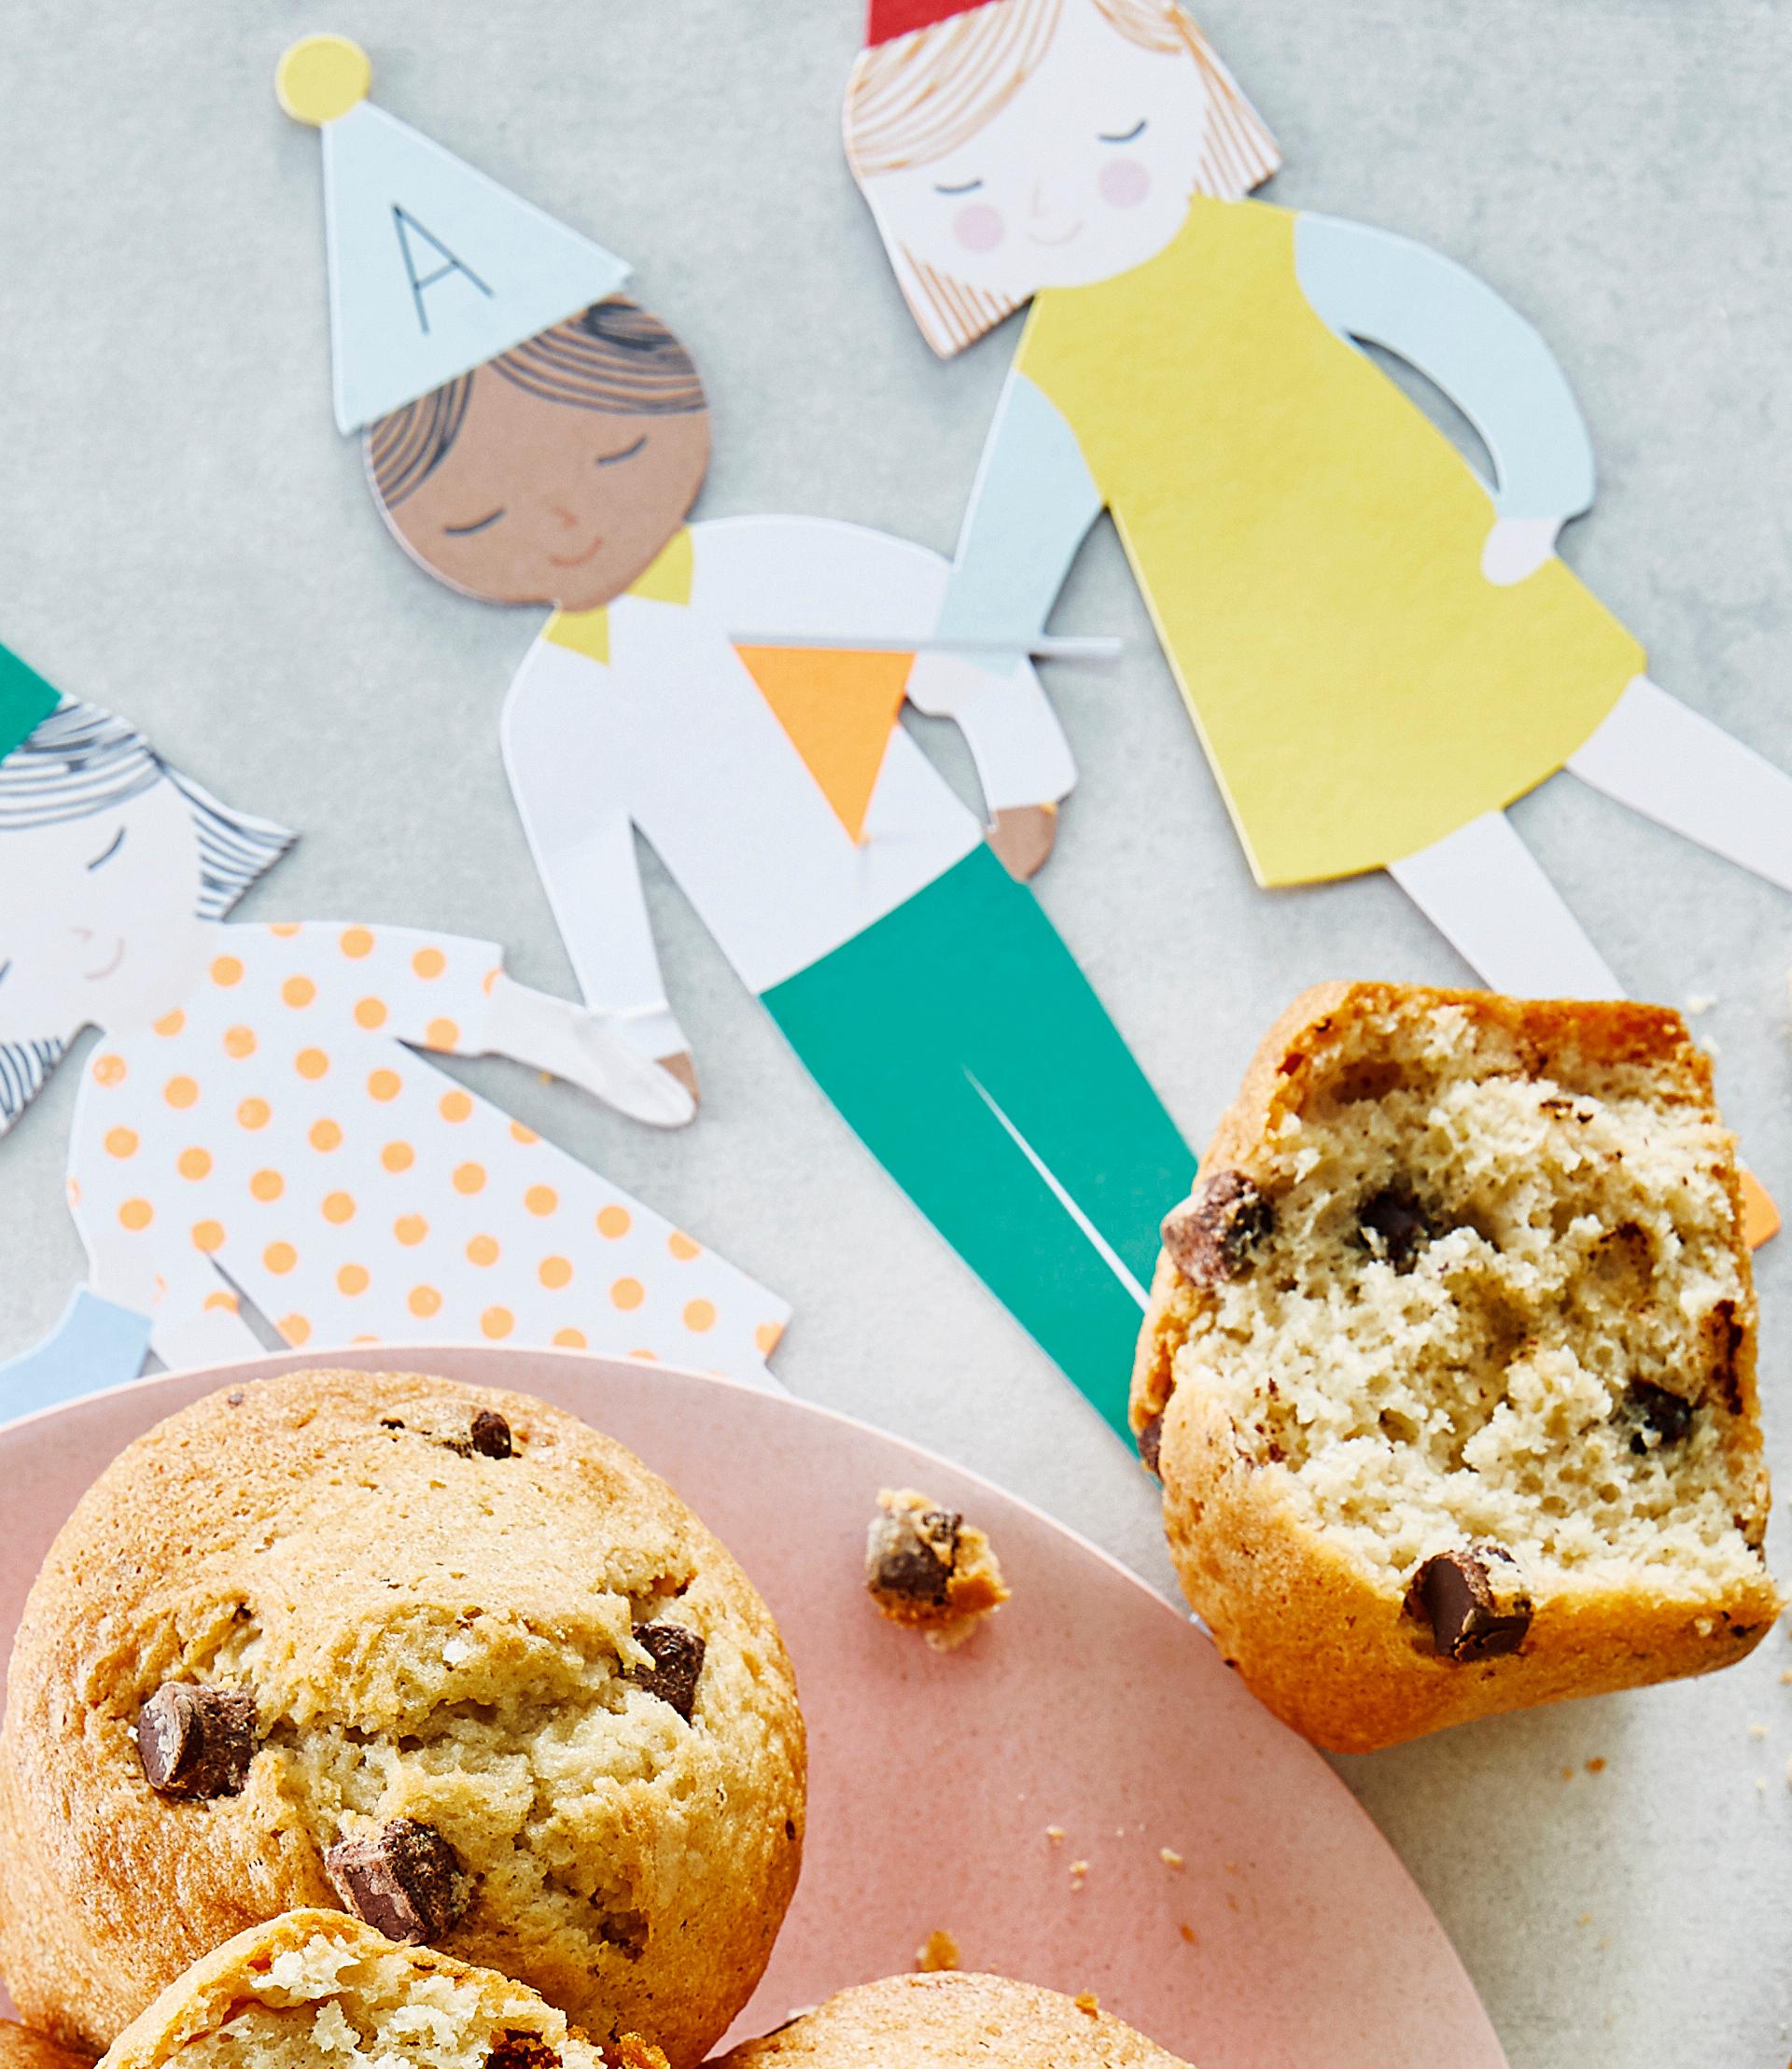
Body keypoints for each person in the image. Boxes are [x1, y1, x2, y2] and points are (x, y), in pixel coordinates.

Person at [843, 0, 1792, 1008]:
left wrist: (1540, 490)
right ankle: (1629, 1064)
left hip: (1436, 574)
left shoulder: (1269, 255)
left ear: (1182, 92)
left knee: (1602, 726)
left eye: (1111, 139)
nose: (1053, 211)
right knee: (1431, 837)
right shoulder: (1062, 371)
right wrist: (975, 648)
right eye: (970, 196)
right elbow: (1022, 525)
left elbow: (1459, 329)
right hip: (1289, 668)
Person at [363, 292, 1193, 1430]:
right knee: (986, 1205)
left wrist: (1020, 778)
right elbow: (589, 871)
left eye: (608, 455)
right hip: (813, 984)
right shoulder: (551, 709)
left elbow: (952, 634)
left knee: (1119, 1140)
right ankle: (1157, 1426)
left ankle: (1275, 1342)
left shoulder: (778, 567)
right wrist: (643, 1024)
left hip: (954, 896)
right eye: (491, 516)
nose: (563, 521)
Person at [0, 674, 786, 1423]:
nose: (82, 934)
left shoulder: (282, 969)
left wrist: (589, 1047)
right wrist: (273, 1431)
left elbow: (456, 999)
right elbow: (180, 1308)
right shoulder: (117, 1134)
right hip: (386, 1338)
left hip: (521, 1223)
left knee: (686, 1359)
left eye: (104, 854)